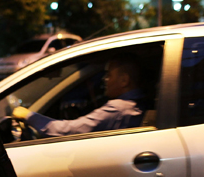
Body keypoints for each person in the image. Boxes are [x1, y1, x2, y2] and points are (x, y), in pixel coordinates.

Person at [12, 54, 146, 137]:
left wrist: (28, 115)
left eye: (109, 75)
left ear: (124, 80)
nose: (105, 79)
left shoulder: (118, 108)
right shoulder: (141, 103)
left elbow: (70, 130)